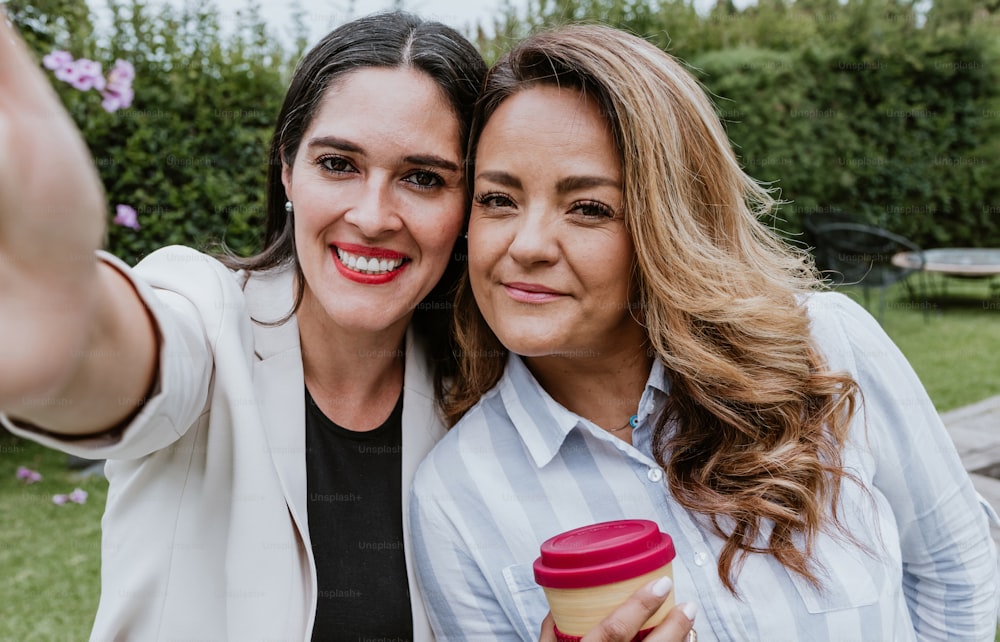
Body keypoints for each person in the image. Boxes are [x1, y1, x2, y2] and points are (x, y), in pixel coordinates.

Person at [409, 23, 999, 641]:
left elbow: (956, 574)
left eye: (589, 208)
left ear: (672, 222)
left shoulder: (827, 345)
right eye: (498, 199)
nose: (525, 246)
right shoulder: (457, 496)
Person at [0, 10, 485, 641]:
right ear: (287, 168)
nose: (372, 216)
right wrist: (67, 303)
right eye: (339, 164)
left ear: (470, 202)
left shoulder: (475, 392)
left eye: (423, 178)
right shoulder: (207, 313)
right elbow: (134, 361)